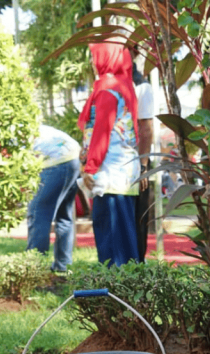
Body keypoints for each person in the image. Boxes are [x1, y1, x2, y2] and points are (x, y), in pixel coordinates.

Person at [78, 42, 141, 267]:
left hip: (109, 170)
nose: (94, 65)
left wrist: (90, 168)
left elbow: (101, 133)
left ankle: (115, 294)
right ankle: (128, 292)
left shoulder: (107, 89)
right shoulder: (124, 85)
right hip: (123, 169)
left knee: (111, 240)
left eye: (96, 58)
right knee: (123, 238)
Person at [26, 124, 81, 273]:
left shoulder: (11, 133)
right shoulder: (29, 124)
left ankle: (34, 269)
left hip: (56, 162)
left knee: (38, 213)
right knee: (64, 215)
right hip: (73, 158)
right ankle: (63, 265)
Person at [133, 60, 155, 262]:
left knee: (139, 220)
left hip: (138, 162)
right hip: (117, 164)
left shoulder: (141, 86)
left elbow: (146, 130)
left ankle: (138, 264)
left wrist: (143, 166)